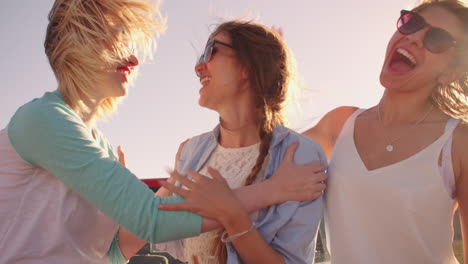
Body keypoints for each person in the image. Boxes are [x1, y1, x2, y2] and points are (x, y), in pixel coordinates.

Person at [0, 1, 327, 263]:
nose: (133, 57)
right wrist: (274, 190)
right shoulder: (41, 120)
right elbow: (152, 222)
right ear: (78, 42)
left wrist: (168, 190)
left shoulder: (100, 147)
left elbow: (112, 253)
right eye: (115, 36)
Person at [302, 0, 468, 263]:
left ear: (451, 73)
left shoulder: (458, 143)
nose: (413, 38)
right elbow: (269, 161)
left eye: (437, 39)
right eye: (411, 23)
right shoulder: (340, 122)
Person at [156, 20, 327, 264]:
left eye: (211, 51)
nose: (198, 67)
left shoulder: (300, 154)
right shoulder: (193, 150)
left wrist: (234, 216)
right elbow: (154, 225)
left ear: (248, 65)